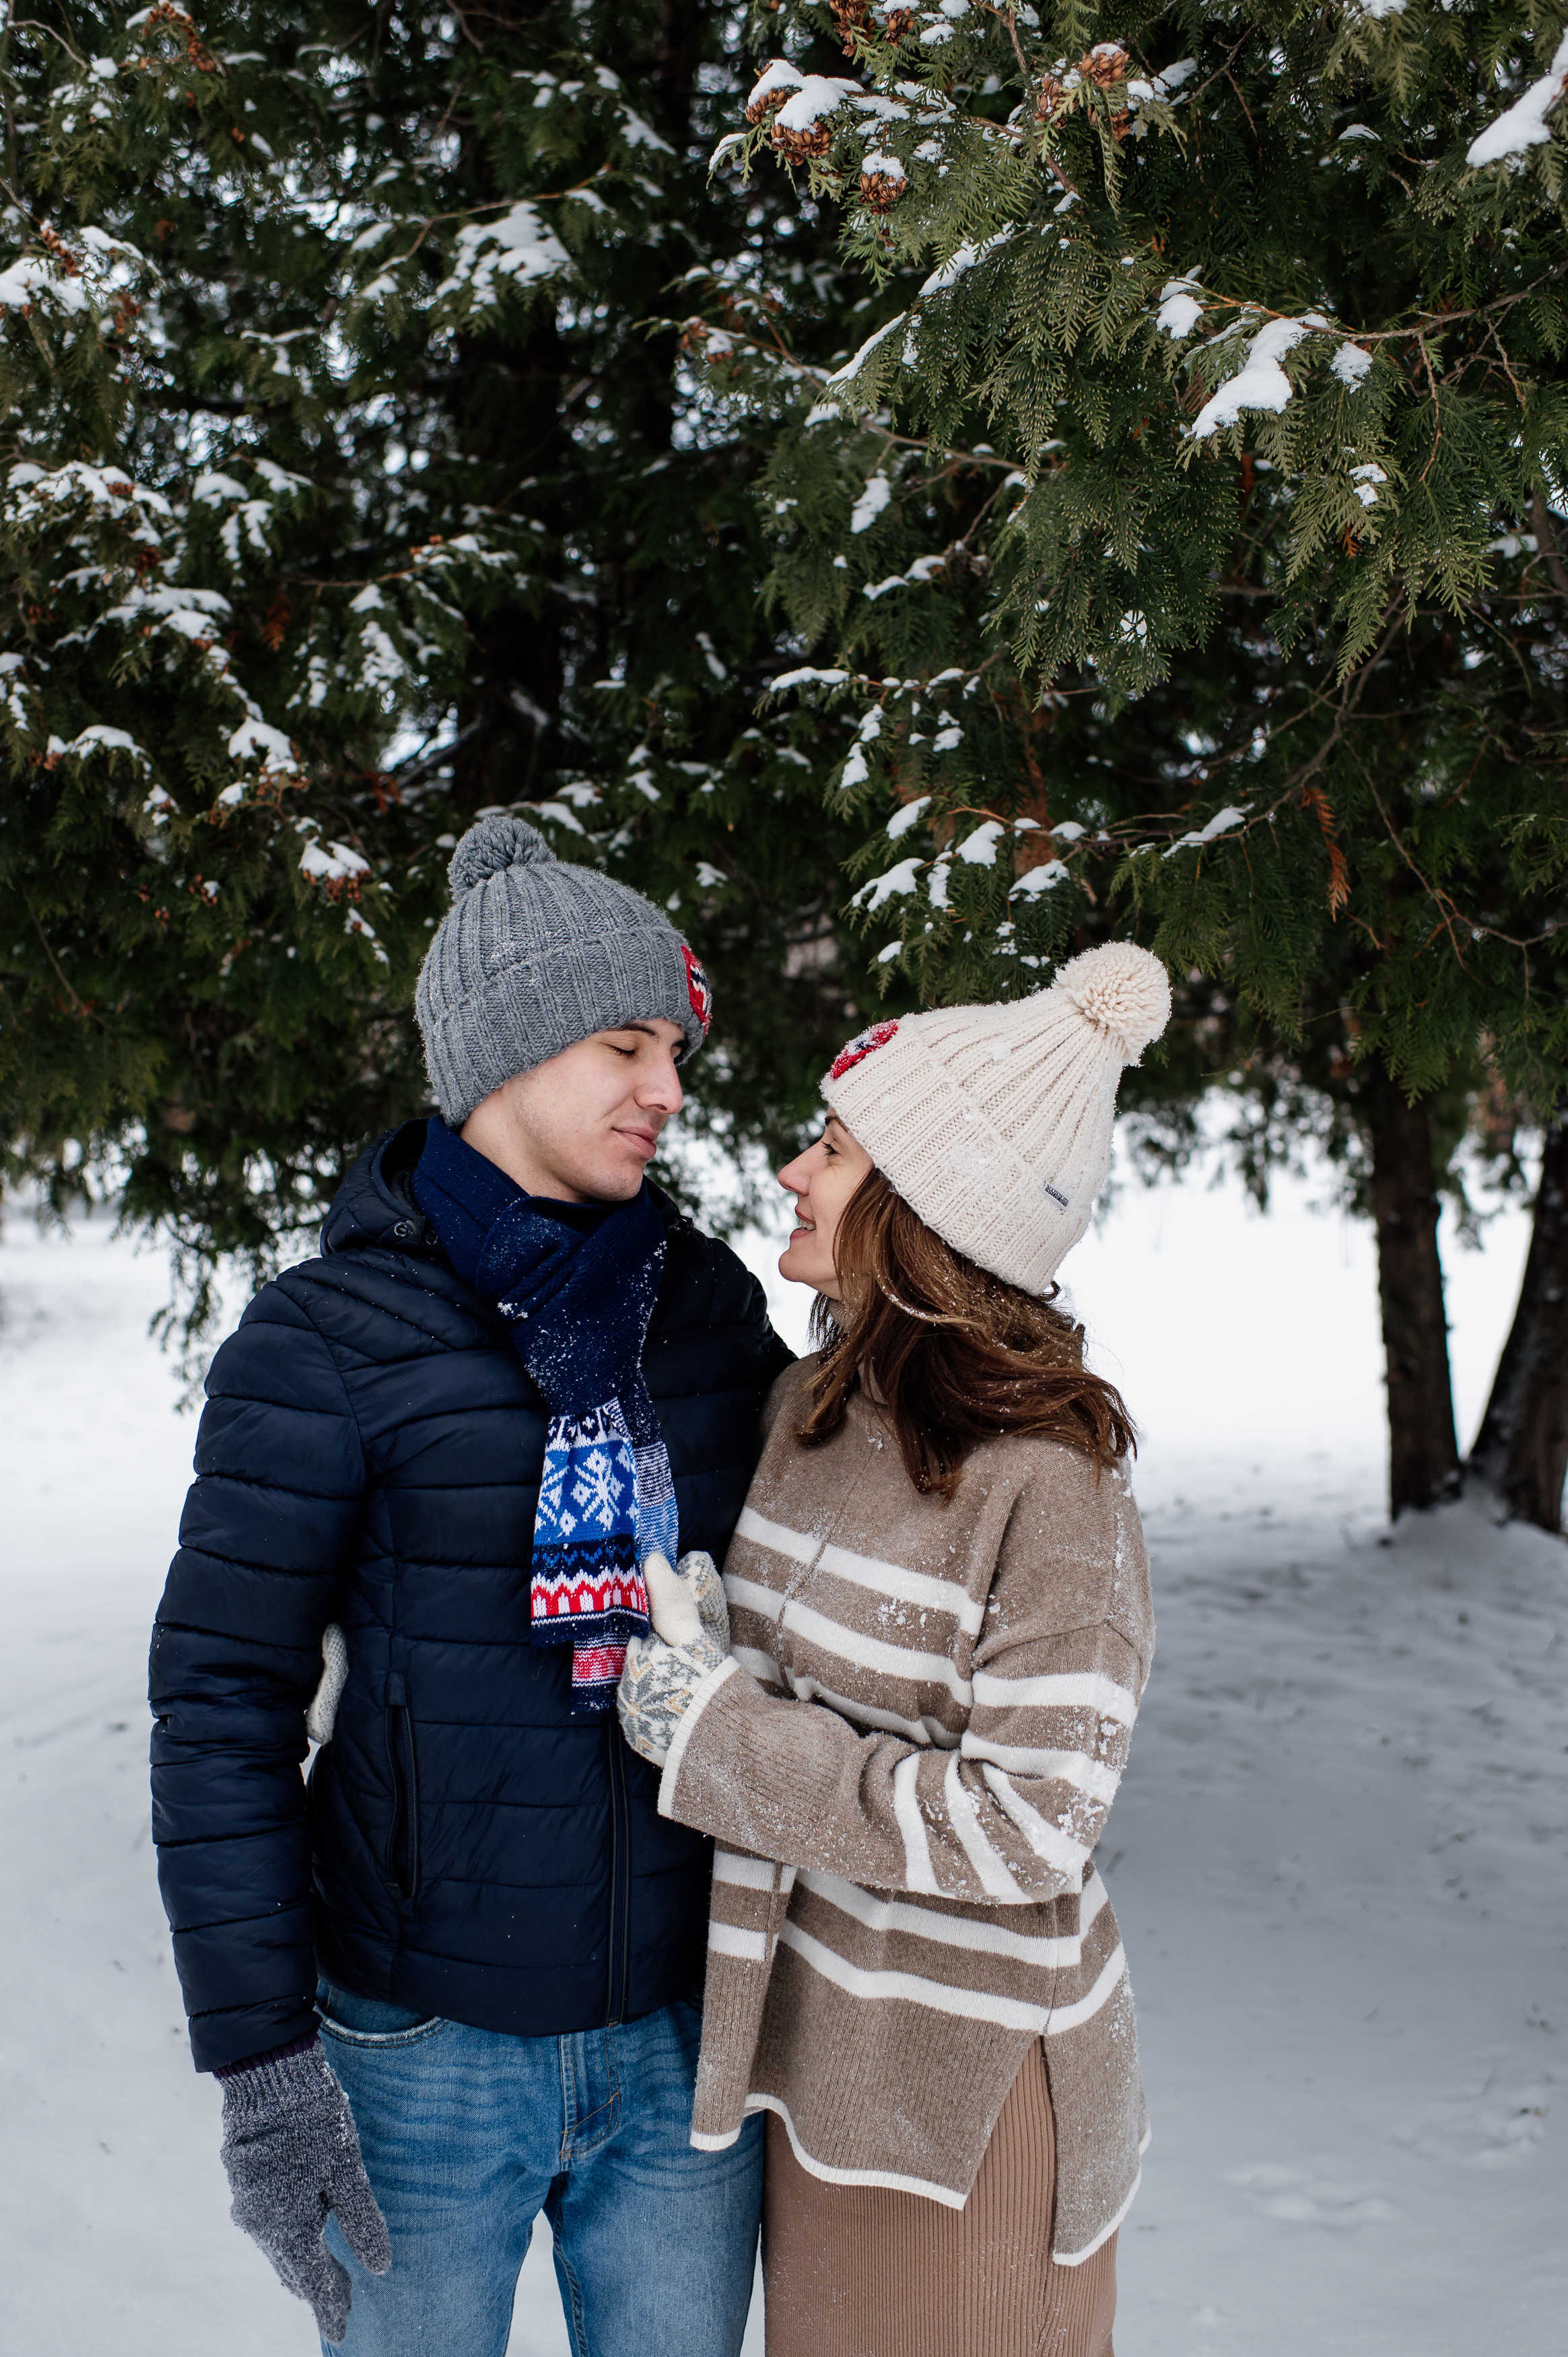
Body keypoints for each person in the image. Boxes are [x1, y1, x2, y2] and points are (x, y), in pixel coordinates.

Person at [149, 814, 792, 2356]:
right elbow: (221, 1706)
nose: (669, 1092)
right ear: (504, 1053)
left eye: (676, 1051)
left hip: (680, 2042)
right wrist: (262, 2068)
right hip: (418, 2053)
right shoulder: (327, 1338)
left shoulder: (700, 1309)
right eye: (625, 1046)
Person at [617, 939, 1169, 2357]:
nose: (794, 1171)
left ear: (924, 1207)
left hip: (963, 2104)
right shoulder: (813, 1403)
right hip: (818, 2075)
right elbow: (821, 1683)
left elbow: (1028, 1827)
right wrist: (704, 1639)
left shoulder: (1052, 1479)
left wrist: (714, 1735)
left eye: (835, 1150)